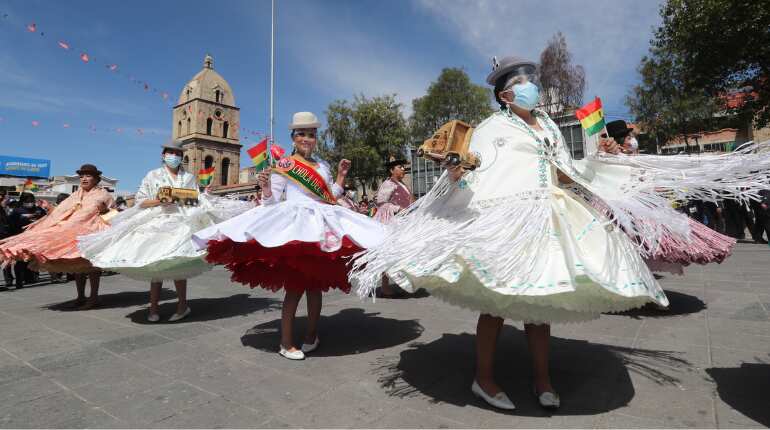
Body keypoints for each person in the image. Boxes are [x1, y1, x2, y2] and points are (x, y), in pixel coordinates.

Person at [350, 55, 770, 411]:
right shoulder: (490, 129)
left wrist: (602, 162)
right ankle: (484, 377)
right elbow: (470, 178)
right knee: (495, 303)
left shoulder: (548, 125)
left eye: (530, 79)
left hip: (550, 215)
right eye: (520, 82)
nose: (530, 86)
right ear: (504, 94)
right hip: (506, 223)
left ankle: (543, 379)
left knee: (540, 303)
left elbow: (563, 170)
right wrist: (457, 169)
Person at [192, 111, 384, 360]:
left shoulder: (322, 165)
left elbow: (330, 196)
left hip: (321, 224)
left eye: (312, 135)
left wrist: (341, 176)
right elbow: (271, 203)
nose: (307, 139)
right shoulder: (284, 164)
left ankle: (312, 334)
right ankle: (285, 342)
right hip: (295, 226)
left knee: (315, 287)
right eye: (302, 134)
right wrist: (265, 187)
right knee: (294, 288)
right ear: (293, 138)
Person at [79, 141, 250, 322]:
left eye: (177, 153)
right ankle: (153, 308)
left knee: (179, 263)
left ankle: (182, 305)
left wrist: (197, 196)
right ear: (163, 155)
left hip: (182, 221)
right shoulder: (153, 175)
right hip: (157, 221)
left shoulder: (189, 177)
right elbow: (141, 201)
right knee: (156, 264)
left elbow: (194, 199)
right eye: (171, 153)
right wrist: (160, 200)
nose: (174, 156)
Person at [0, 166, 112, 305]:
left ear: (96, 179)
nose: (84, 178)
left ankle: (93, 297)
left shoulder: (103, 195)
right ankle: (81, 297)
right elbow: (60, 212)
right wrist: (51, 211)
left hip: (92, 232)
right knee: (77, 267)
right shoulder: (75, 195)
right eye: (82, 176)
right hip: (71, 234)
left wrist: (104, 210)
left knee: (92, 267)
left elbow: (103, 213)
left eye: (88, 175)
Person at [374, 157, 415, 297]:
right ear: (391, 170)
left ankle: (401, 284)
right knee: (388, 254)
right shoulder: (388, 184)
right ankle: (385, 287)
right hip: (392, 224)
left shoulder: (402, 184)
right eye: (400, 167)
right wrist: (398, 208)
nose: (403, 169)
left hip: (404, 223)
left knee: (402, 254)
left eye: (403, 167)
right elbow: (381, 203)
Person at [4, 192, 47, 289]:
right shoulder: (17, 211)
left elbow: (46, 219)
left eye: (32, 201)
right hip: (20, 238)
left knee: (32, 259)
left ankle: (30, 277)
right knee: (20, 260)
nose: (30, 203)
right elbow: (11, 224)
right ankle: (19, 281)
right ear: (22, 201)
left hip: (35, 238)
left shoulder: (38, 210)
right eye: (27, 201)